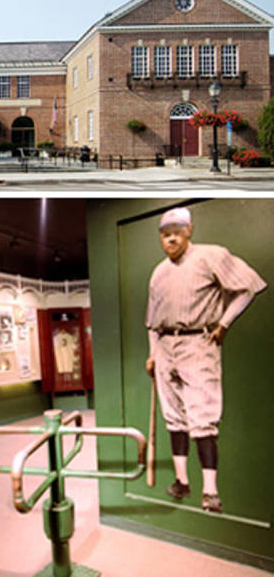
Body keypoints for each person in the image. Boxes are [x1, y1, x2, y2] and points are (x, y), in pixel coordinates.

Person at [145, 207, 266, 513]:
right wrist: (152, 353)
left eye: (176, 232)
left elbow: (248, 287)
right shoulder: (159, 272)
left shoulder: (210, 255)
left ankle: (210, 492)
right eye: (165, 233)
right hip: (165, 345)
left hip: (198, 341)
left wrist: (224, 323)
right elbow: (151, 321)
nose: (170, 238)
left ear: (189, 231)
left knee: (202, 419)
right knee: (173, 417)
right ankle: (182, 481)